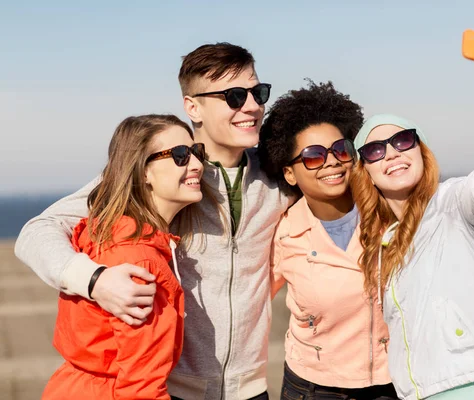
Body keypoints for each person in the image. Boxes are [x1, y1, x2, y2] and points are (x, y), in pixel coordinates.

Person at [15, 43, 291, 400]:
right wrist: (94, 280)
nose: (252, 106)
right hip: (170, 389)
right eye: (234, 96)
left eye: (258, 92)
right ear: (193, 106)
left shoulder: (278, 178)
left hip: (252, 390)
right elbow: (36, 232)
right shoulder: (166, 172)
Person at [258, 81, 474, 400]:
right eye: (312, 156)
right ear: (290, 172)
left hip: (395, 383)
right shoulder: (283, 233)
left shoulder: (391, 215)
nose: (331, 161)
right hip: (313, 388)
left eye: (340, 150)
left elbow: (453, 252)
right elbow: (247, 303)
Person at [350, 40, 474, 400]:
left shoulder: (452, 205)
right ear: (367, 171)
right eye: (375, 150)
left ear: (421, 150)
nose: (391, 153)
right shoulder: (381, 240)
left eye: (403, 140)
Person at [42, 114, 205, 399]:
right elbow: (142, 389)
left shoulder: (106, 231)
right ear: (143, 172)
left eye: (196, 152)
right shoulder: (141, 264)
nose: (197, 164)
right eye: (180, 155)